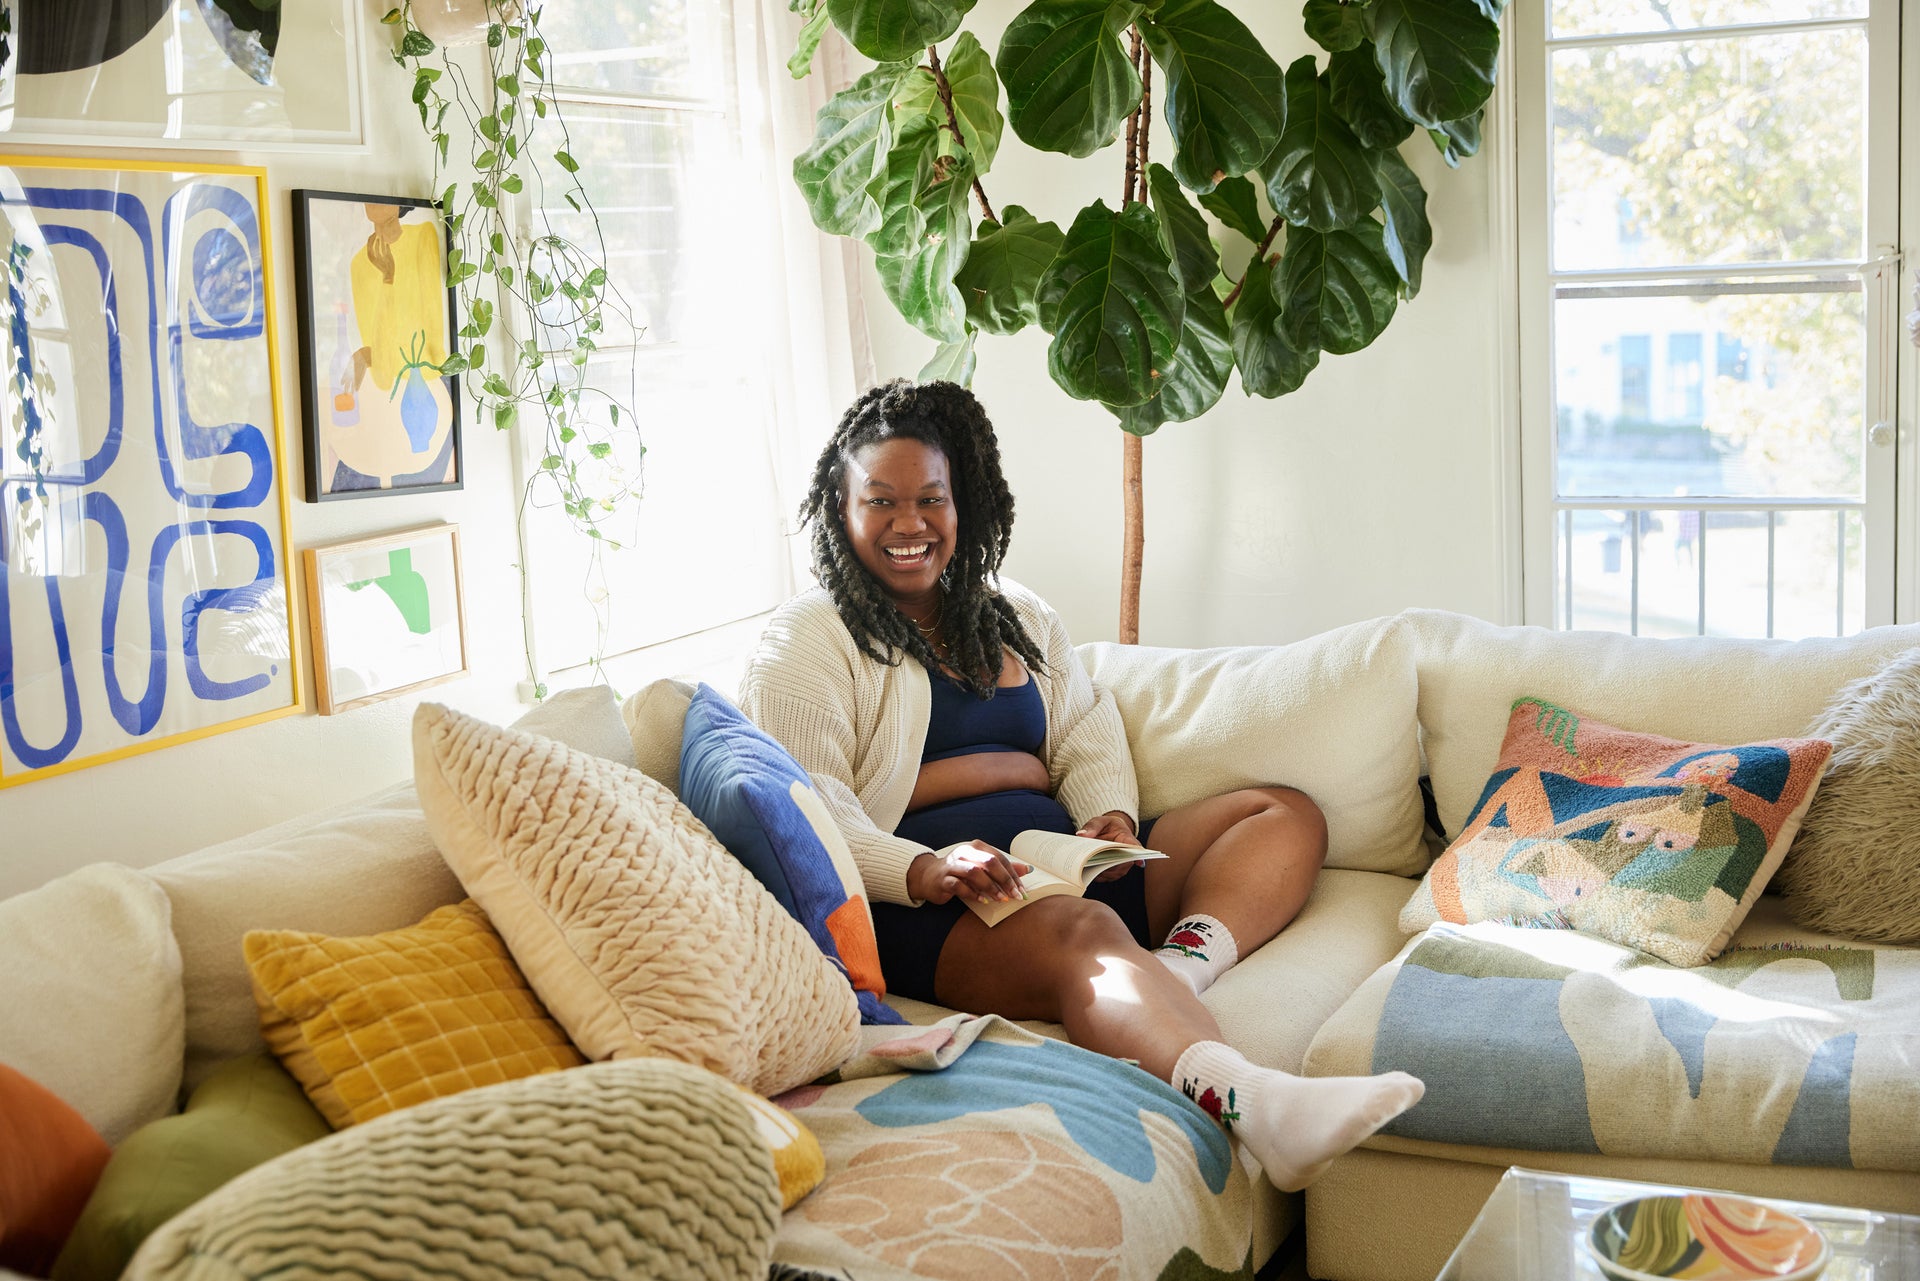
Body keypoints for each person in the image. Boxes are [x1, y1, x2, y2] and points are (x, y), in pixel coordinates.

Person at [737, 380, 1423, 1191]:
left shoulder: (1014, 612)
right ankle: (1260, 1106)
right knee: (1082, 932)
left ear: (968, 503)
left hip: (1062, 863)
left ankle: (1173, 972)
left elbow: (1086, 731)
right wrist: (926, 866)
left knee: (1283, 813)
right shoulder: (809, 639)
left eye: (931, 498)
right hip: (941, 902)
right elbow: (808, 810)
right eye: (880, 500)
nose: (909, 522)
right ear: (839, 508)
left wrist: (1109, 814)